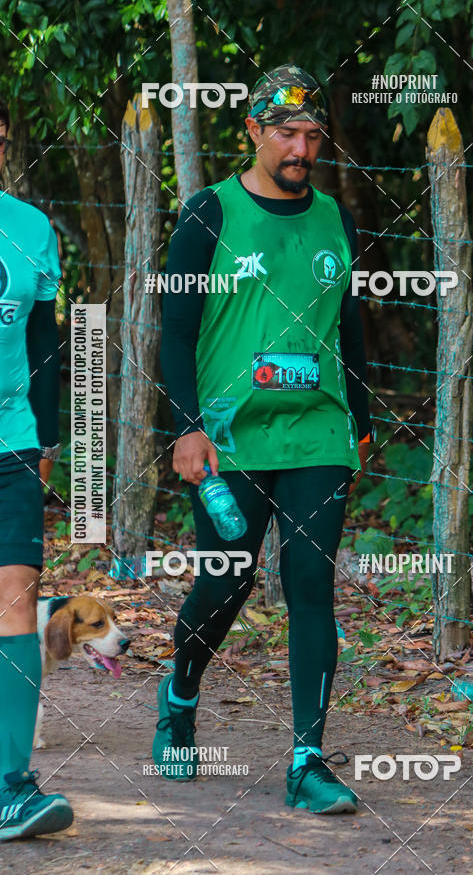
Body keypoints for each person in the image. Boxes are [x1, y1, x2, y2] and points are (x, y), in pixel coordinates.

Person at [154, 65, 373, 814]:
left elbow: (350, 324)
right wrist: (184, 426)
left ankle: (308, 762)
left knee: (312, 586)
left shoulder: (337, 220)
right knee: (228, 580)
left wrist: (364, 422)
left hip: (317, 432)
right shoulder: (207, 214)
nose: (300, 147)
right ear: (252, 130)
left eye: (312, 135)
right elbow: (175, 333)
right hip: (228, 437)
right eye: (286, 132)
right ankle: (181, 695)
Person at [0, 98, 73, 839]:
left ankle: (10, 789)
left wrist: (47, 439)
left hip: (11, 444)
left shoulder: (29, 227)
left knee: (15, 606)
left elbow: (47, 340)